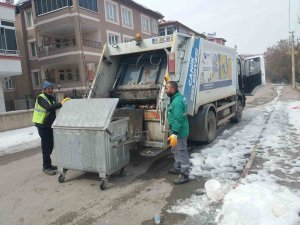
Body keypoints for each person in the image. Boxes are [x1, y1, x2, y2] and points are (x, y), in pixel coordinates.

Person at [32, 81, 70, 175]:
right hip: (42, 125)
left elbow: (54, 109)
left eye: (51, 88)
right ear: (44, 90)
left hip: (49, 125)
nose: (50, 90)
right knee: (46, 146)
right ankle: (46, 166)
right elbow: (48, 108)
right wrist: (61, 103)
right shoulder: (41, 98)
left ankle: (48, 164)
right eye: (48, 89)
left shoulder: (51, 98)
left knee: (49, 145)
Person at [165, 81, 190, 185]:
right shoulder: (177, 97)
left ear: (172, 89)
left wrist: (175, 133)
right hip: (176, 130)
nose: (166, 91)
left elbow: (178, 119)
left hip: (179, 131)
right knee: (175, 149)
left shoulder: (177, 102)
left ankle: (185, 175)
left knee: (182, 151)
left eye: (167, 89)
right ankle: (178, 167)